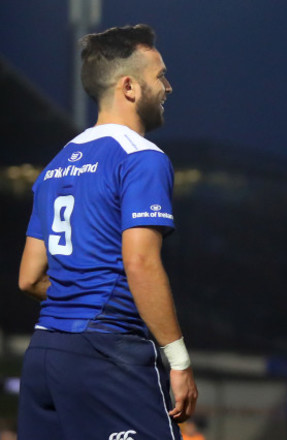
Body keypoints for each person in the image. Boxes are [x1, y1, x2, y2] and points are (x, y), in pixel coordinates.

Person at [17, 24, 197, 439]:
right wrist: (180, 361)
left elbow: (28, 278)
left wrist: (75, 293)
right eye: (160, 76)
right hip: (105, 352)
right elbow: (139, 261)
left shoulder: (54, 166)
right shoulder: (141, 158)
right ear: (130, 87)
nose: (168, 87)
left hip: (44, 354)